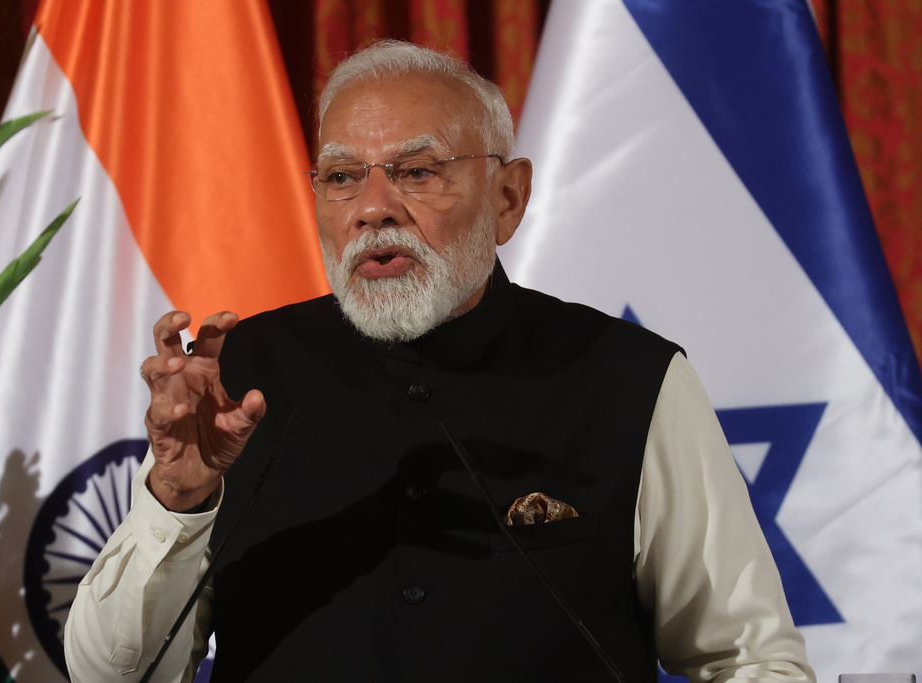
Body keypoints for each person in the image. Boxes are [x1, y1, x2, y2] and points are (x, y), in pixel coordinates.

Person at [64, 40, 814, 682]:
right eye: (342, 175)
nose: (373, 206)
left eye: (417, 172)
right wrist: (176, 500)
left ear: (508, 197)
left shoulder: (631, 380)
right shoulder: (239, 378)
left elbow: (749, 655)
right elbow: (111, 672)